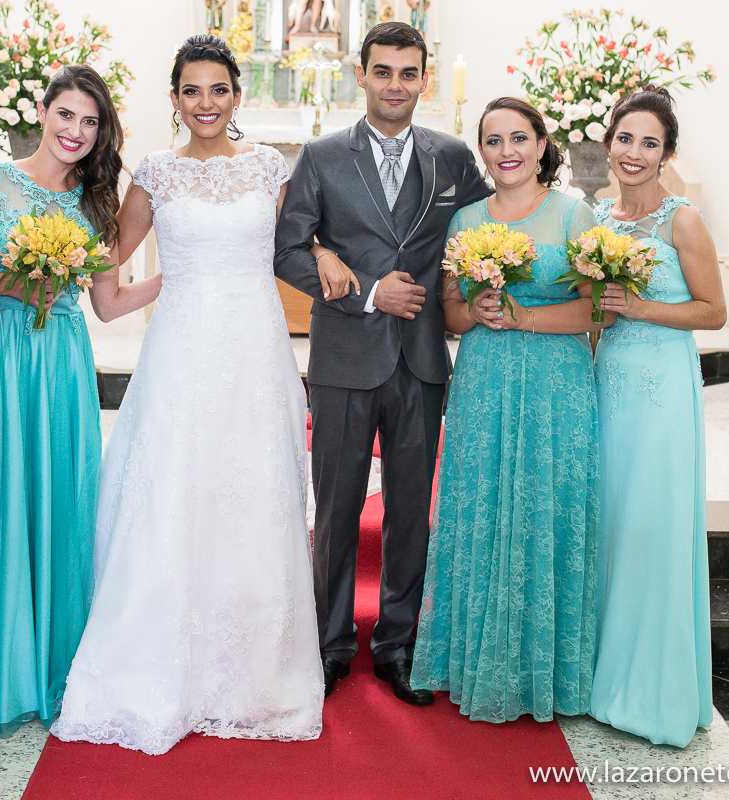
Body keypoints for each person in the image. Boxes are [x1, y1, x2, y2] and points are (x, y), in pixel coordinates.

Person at [52, 35, 323, 756]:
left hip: (255, 354)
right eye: (192, 91)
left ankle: (257, 674)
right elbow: (107, 263)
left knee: (252, 492)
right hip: (180, 353)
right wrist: (58, 255)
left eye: (219, 89)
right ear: (173, 98)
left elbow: (296, 246)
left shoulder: (269, 167)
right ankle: (158, 665)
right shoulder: (156, 173)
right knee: (174, 489)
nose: (206, 103)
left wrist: (326, 252)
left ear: (237, 94)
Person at [274, 21, 492, 705]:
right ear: (361, 74)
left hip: (422, 359)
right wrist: (364, 289)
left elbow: (489, 232)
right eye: (383, 71)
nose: (396, 85)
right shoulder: (321, 157)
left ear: (424, 79)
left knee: (409, 512)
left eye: (408, 73)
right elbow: (285, 250)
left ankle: (398, 646)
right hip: (345, 357)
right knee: (337, 508)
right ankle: (331, 645)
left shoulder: (453, 157)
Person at [0, 65, 161, 738]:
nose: (75, 131)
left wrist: (180, 277)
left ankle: (51, 664)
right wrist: (10, 283)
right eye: (66, 114)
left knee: (56, 501)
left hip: (59, 363)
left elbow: (109, 304)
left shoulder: (96, 205)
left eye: (90, 122)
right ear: (42, 111)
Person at [409, 97, 607, 723]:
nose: (506, 152)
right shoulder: (466, 220)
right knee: (484, 504)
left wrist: (524, 317)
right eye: (493, 141)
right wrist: (476, 311)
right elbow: (449, 311)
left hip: (556, 386)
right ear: (482, 152)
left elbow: (597, 311)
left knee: (548, 506)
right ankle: (479, 659)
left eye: (518, 138)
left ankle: (548, 668)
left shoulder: (574, 214)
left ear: (542, 145)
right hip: (485, 381)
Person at [588, 86, 724, 747]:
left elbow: (714, 312)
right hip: (608, 385)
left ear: (667, 153)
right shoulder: (598, 219)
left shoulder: (682, 221)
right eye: (626, 139)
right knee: (612, 524)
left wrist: (641, 308)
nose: (635, 153)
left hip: (663, 390)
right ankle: (603, 677)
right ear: (608, 142)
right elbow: (593, 309)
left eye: (650, 143)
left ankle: (653, 692)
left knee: (653, 525)